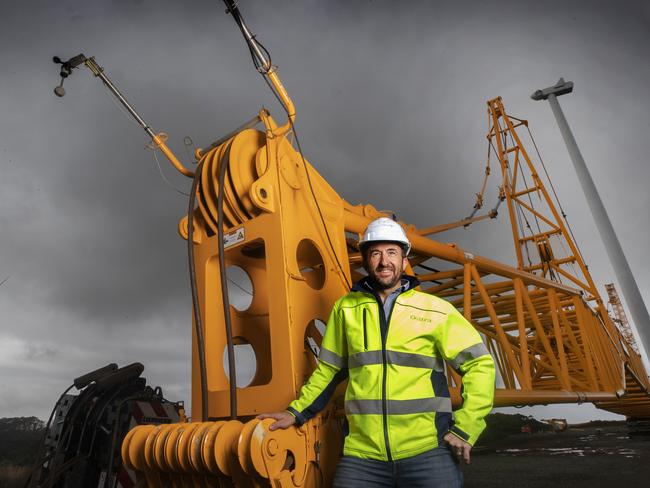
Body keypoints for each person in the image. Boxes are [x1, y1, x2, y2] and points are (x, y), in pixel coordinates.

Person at [258, 217, 495, 487]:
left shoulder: (435, 310)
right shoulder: (345, 309)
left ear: (404, 260)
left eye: (392, 252)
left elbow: (480, 364)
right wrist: (295, 412)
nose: (384, 261)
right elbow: (329, 371)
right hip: (362, 456)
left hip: (428, 451)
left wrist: (466, 427)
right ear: (366, 260)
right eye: (376, 253)